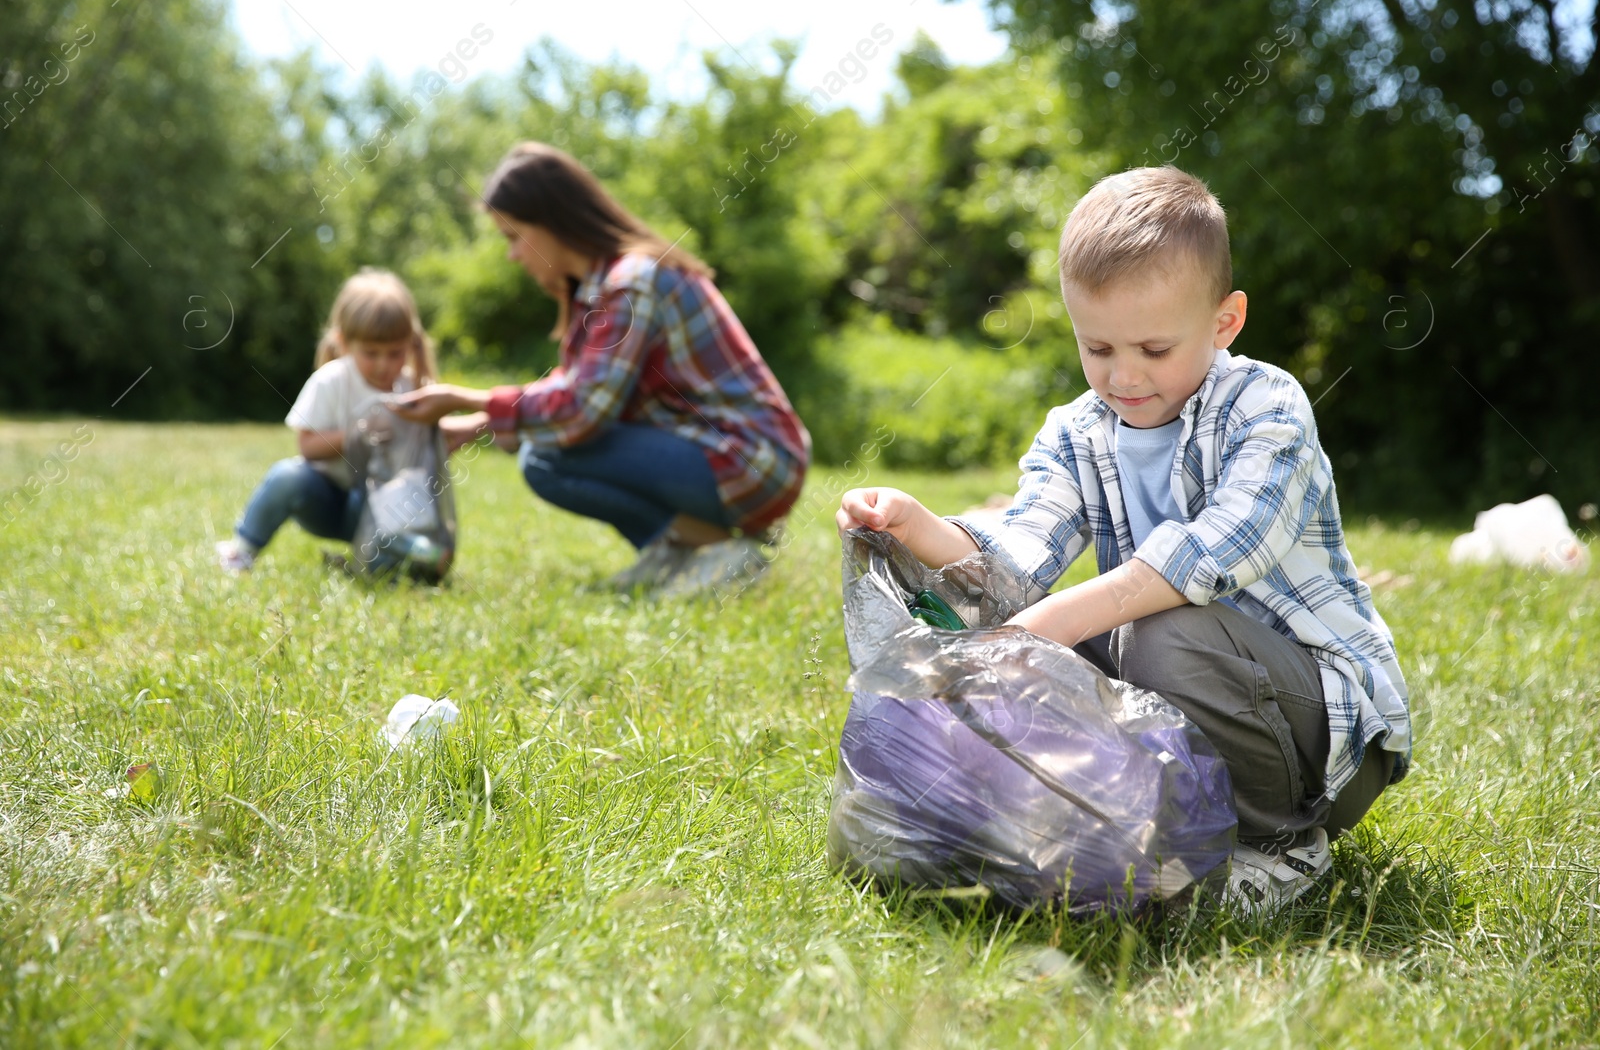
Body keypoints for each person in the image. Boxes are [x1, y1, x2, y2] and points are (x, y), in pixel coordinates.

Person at [836, 167, 1412, 917]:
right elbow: (1014, 557)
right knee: (1044, 645)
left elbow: (1217, 549)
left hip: (1323, 740)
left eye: (1153, 347)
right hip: (1199, 693)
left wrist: (1057, 623)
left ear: (1224, 322)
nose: (1124, 375)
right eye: (1097, 346)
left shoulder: (1265, 406)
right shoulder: (1078, 431)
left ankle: (1282, 846)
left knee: (1147, 630)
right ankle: (1106, 826)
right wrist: (917, 526)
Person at [392, 142, 811, 593]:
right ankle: (678, 554)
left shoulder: (631, 281)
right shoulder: (600, 286)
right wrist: (475, 425)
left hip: (754, 459)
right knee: (544, 449)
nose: (512, 255)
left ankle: (715, 553)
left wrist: (463, 397)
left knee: (547, 456)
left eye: (514, 237)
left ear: (552, 221)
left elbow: (582, 408)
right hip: (731, 456)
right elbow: (578, 386)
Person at [216, 268, 438, 573]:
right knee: (287, 475)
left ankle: (394, 560)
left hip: (385, 509)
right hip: (328, 501)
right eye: (371, 353)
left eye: (395, 353)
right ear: (344, 343)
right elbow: (307, 446)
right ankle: (242, 550)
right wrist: (358, 434)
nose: (384, 364)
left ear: (411, 344)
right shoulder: (330, 381)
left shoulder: (411, 388)